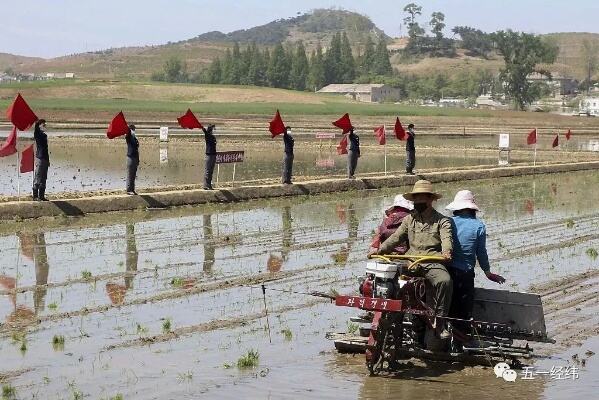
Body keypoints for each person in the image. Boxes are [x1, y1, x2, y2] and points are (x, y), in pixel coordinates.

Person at [372, 180, 453, 342]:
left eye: (421, 200)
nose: (417, 203)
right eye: (415, 200)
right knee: (383, 273)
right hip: (411, 261)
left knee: (445, 281)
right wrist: (379, 250)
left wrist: (446, 252)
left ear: (430, 200)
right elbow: (395, 238)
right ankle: (382, 311)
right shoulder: (409, 219)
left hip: (432, 262)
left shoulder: (442, 221)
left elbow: (447, 239)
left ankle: (440, 321)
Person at [445, 190, 506, 338]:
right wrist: (487, 272)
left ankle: (446, 337)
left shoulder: (448, 222)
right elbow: (481, 253)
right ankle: (462, 339)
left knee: (449, 307)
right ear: (472, 208)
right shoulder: (478, 226)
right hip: (465, 274)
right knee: (464, 309)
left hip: (447, 271)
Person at [33, 119, 49, 201]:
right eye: (43, 125)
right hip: (40, 158)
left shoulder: (44, 135)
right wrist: (37, 123)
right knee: (38, 176)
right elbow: (36, 130)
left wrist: (48, 161)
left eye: (45, 125)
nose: (44, 126)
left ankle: (41, 196)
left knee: (44, 177)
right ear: (39, 126)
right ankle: (35, 196)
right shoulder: (37, 134)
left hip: (45, 159)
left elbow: (45, 149)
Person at [125, 124, 139, 195]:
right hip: (130, 157)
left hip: (135, 157)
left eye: (134, 129)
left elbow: (136, 148)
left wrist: (138, 160)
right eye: (133, 129)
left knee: (133, 175)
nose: (134, 131)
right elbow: (128, 133)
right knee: (130, 174)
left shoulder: (134, 138)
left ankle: (132, 189)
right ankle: (128, 190)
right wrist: (128, 130)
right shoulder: (129, 136)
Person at [202, 124, 217, 190]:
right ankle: (206, 185)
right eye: (212, 129)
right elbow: (205, 132)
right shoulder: (207, 136)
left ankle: (209, 185)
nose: (212, 131)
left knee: (211, 171)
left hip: (214, 155)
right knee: (207, 170)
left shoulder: (213, 137)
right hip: (209, 155)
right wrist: (202, 128)